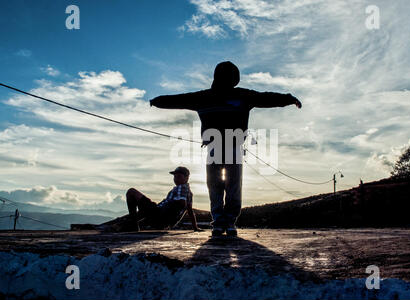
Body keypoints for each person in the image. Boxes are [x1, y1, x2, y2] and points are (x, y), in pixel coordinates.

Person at [150, 61, 301, 236]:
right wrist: (158, 101)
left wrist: (289, 99)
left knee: (226, 185)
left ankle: (225, 222)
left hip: (229, 146)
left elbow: (266, 98)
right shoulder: (220, 96)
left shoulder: (231, 96)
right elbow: (179, 100)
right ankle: (223, 222)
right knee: (223, 186)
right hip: (221, 147)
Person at [95, 166, 202, 232]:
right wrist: (195, 228)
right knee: (140, 211)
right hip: (161, 217)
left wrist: (166, 215)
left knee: (131, 192)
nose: (175, 179)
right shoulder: (189, 193)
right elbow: (190, 211)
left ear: (187, 178)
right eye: (175, 176)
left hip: (160, 215)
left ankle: (132, 225)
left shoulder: (182, 188)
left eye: (179, 176)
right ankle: (130, 224)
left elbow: (181, 204)